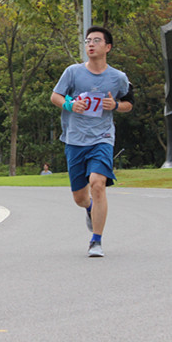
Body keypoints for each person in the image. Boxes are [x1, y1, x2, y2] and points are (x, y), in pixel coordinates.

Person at [50, 26, 134, 258]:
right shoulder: (73, 72)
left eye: (96, 40)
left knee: (97, 184)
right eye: (88, 41)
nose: (91, 44)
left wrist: (115, 105)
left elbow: (129, 103)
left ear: (108, 47)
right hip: (75, 139)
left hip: (102, 138)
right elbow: (55, 96)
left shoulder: (118, 78)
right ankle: (89, 208)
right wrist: (69, 104)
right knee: (79, 197)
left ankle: (96, 241)